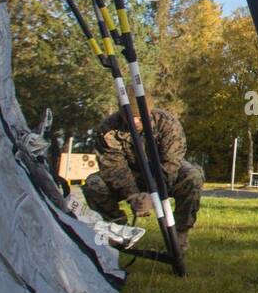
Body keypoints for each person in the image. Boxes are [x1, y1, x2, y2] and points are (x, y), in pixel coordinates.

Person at [83, 104, 202, 252]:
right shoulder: (108, 128)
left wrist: (155, 195)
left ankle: (180, 235)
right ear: (122, 114)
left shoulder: (168, 123)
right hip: (130, 173)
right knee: (93, 184)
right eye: (130, 117)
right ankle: (118, 230)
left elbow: (170, 163)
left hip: (161, 172)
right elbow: (114, 167)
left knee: (192, 176)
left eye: (139, 116)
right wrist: (133, 195)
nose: (135, 121)